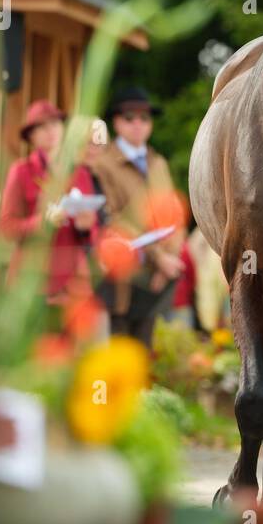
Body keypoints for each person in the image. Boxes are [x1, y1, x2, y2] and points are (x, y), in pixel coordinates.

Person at [90, 86, 186, 346]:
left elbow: (175, 218)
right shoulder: (102, 163)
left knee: (144, 355)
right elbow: (110, 218)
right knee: (117, 351)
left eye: (145, 118)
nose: (138, 124)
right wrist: (159, 256)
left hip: (156, 277)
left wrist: (169, 262)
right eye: (129, 117)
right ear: (116, 121)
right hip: (120, 276)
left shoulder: (159, 164)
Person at [0, 100, 101, 307]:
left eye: (55, 124)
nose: (51, 130)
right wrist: (42, 222)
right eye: (42, 126)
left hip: (74, 283)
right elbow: (7, 227)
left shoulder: (80, 173)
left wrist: (85, 227)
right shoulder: (21, 171)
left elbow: (93, 232)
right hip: (34, 283)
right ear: (31, 136)